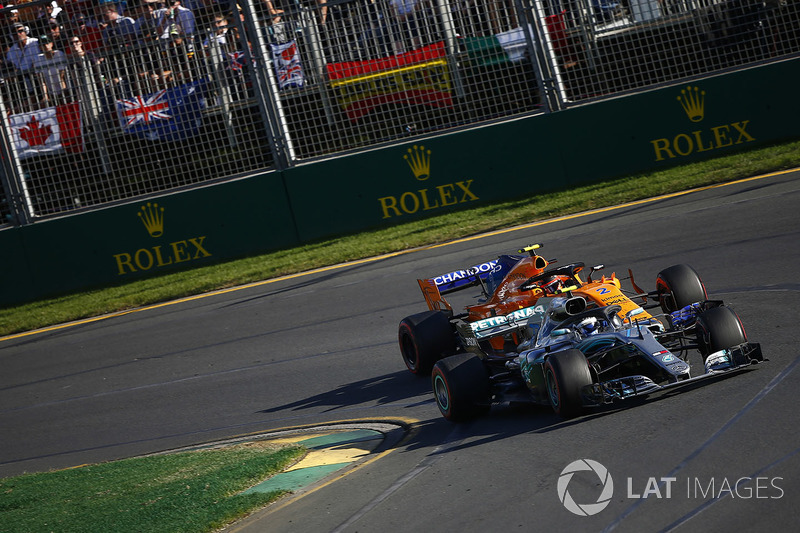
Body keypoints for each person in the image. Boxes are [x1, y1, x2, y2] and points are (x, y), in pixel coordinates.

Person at [33, 32, 68, 103]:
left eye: (47, 43)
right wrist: (45, 96)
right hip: (50, 91)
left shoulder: (59, 54)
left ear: (51, 44)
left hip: (65, 89)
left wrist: (65, 92)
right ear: (40, 47)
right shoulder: (38, 59)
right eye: (43, 44)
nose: (46, 46)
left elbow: (62, 77)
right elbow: (41, 80)